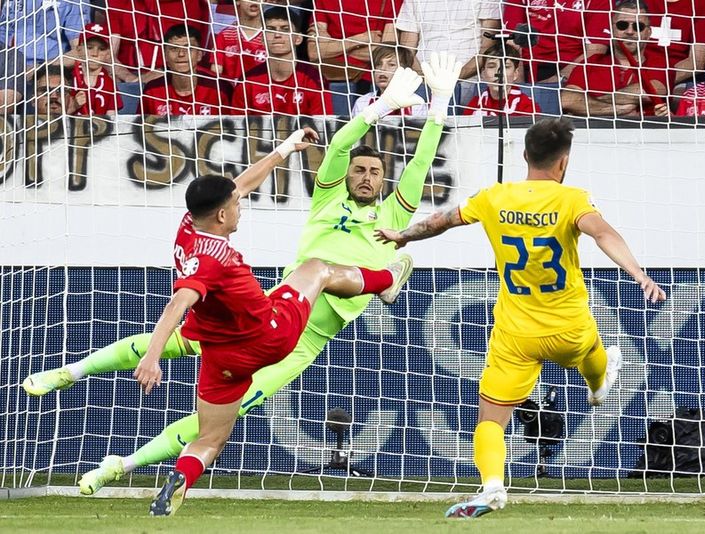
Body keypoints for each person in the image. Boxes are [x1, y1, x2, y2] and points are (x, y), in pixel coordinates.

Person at [23, 53, 463, 497]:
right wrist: (378, 108)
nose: (367, 177)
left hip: (301, 344)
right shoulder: (328, 201)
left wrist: (440, 102)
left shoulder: (393, 213)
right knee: (171, 339)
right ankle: (71, 370)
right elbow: (341, 143)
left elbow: (423, 158)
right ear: (344, 174)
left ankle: (121, 466)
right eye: (360, 169)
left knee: (216, 419)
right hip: (271, 312)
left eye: (375, 172)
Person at [375, 117, 666, 518]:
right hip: (568, 327)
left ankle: (493, 486)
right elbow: (603, 233)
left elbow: (441, 221)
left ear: (525, 155)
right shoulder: (571, 199)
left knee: (491, 420)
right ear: (563, 163)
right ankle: (598, 384)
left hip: (515, 334)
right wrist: (638, 272)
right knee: (593, 349)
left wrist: (403, 235)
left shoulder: (494, 196)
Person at [139, 145, 418, 515]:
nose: (241, 207)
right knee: (316, 268)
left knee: (209, 438)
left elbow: (240, 186)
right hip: (271, 332)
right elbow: (177, 304)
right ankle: (386, 279)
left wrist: (281, 152)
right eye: (236, 206)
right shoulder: (214, 260)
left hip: (220, 355)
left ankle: (181, 480)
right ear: (222, 214)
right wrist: (152, 356)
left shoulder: (189, 229)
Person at [561, 1, 671, 117]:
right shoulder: (592, 63)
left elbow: (648, 92)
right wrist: (616, 110)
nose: (629, 31)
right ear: (611, 30)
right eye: (622, 25)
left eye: (638, 27)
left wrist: (589, 101)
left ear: (649, 33)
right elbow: (568, 100)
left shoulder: (660, 63)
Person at [394, 0, 500, 103]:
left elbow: (488, 47)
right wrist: (427, 78)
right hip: (423, 81)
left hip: (467, 80)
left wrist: (453, 77)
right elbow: (407, 50)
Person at [230, 7, 330, 116]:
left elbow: (322, 126)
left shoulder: (313, 79)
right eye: (271, 29)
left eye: (285, 29)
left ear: (298, 39)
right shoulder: (248, 81)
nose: (277, 35)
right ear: (262, 39)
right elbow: (237, 126)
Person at [140, 24, 230, 116]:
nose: (181, 54)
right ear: (165, 55)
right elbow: (140, 128)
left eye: (188, 48)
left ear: (199, 54)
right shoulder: (151, 91)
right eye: (174, 49)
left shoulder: (219, 90)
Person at [307, 0, 401, 84]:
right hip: (327, 74)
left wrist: (333, 47)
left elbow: (386, 54)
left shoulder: (391, 1)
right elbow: (314, 52)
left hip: (371, 77)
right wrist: (362, 39)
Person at [462, 44, 540, 117]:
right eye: (491, 66)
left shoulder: (528, 107)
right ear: (483, 74)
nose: (498, 72)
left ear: (515, 74)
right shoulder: (474, 105)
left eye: (506, 67)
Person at [351, 45, 427, 118]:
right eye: (378, 64)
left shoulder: (416, 103)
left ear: (404, 71)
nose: (382, 69)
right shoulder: (363, 102)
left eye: (391, 64)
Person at [71, 23, 123, 117]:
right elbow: (55, 117)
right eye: (89, 47)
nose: (95, 53)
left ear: (108, 54)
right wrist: (73, 106)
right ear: (79, 49)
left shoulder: (110, 85)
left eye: (102, 49)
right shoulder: (68, 79)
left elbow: (111, 120)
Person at [211, 1, 269, 82]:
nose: (254, 2)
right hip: (230, 92)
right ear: (238, 1)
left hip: (260, 91)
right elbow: (216, 74)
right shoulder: (225, 36)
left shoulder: (270, 37)